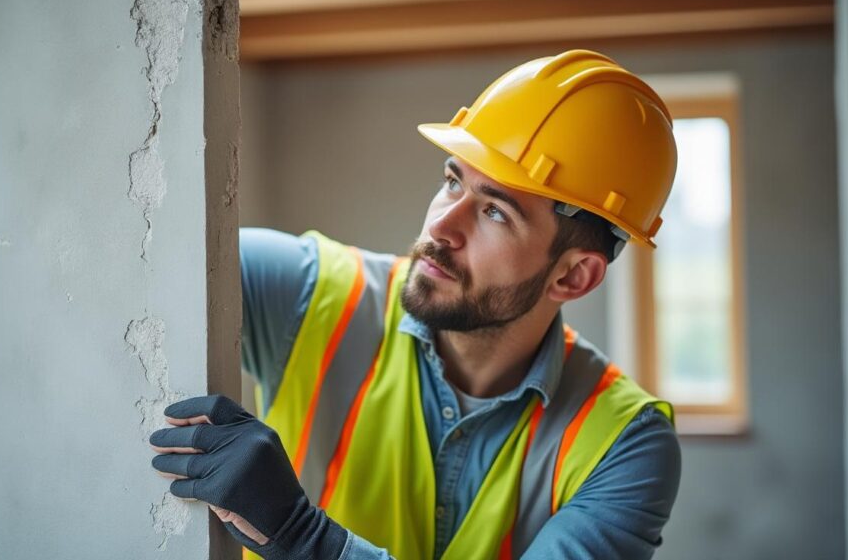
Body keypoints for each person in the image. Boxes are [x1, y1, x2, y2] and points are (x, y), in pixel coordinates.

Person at [148, 49, 682, 560]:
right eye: (453, 181)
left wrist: (305, 540)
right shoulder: (311, 294)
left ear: (572, 275)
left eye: (496, 212)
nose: (441, 225)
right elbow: (141, 259)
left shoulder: (623, 444)